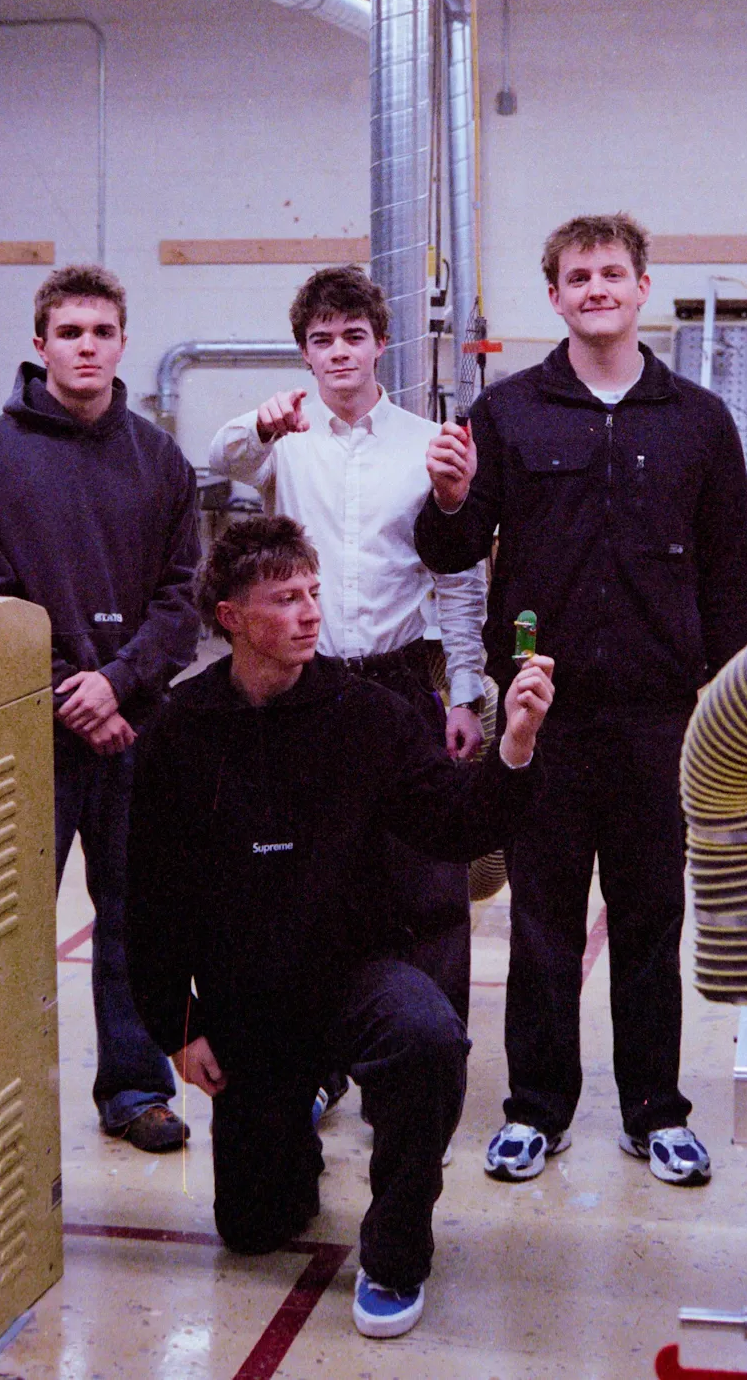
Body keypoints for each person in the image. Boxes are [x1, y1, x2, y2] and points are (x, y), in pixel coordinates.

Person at [124, 516, 555, 1340]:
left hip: (353, 972)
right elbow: (151, 896)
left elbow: (458, 822)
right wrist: (178, 1025)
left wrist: (517, 750)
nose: (310, 613)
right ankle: (289, 1126)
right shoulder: (181, 730)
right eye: (285, 598)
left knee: (428, 1039)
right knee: (256, 1228)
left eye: (314, 592)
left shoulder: (369, 715)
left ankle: (397, 1253)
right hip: (249, 1001)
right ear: (231, 616)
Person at [414, 212, 747, 1188]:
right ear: (555, 295)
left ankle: (656, 1109)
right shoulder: (506, 415)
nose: (596, 287)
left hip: (660, 716)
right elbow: (447, 551)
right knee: (542, 921)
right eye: (577, 275)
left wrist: (730, 704)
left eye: (612, 272)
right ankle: (537, 1107)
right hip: (542, 717)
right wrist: (445, 498)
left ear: (642, 286)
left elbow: (733, 569)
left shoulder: (697, 419)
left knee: (651, 916)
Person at [0, 262, 201, 1154]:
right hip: (30, 732)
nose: (86, 347)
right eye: (69, 332)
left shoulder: (160, 457)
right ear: (40, 344)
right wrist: (74, 691)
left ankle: (135, 1088)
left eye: (101, 332)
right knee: (5, 919)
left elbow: (184, 598)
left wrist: (120, 684)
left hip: (139, 727)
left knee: (136, 913)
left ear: (123, 343)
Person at [207, 267, 486, 1049]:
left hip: (400, 682)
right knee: (306, 879)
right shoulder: (281, 444)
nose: (338, 353)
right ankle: (319, 1059)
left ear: (380, 346)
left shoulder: (425, 448)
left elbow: (458, 575)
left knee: (428, 876)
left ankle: (434, 1055)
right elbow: (217, 452)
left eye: (353, 337)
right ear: (304, 353)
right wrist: (259, 424)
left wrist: (464, 689)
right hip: (309, 688)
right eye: (321, 340)